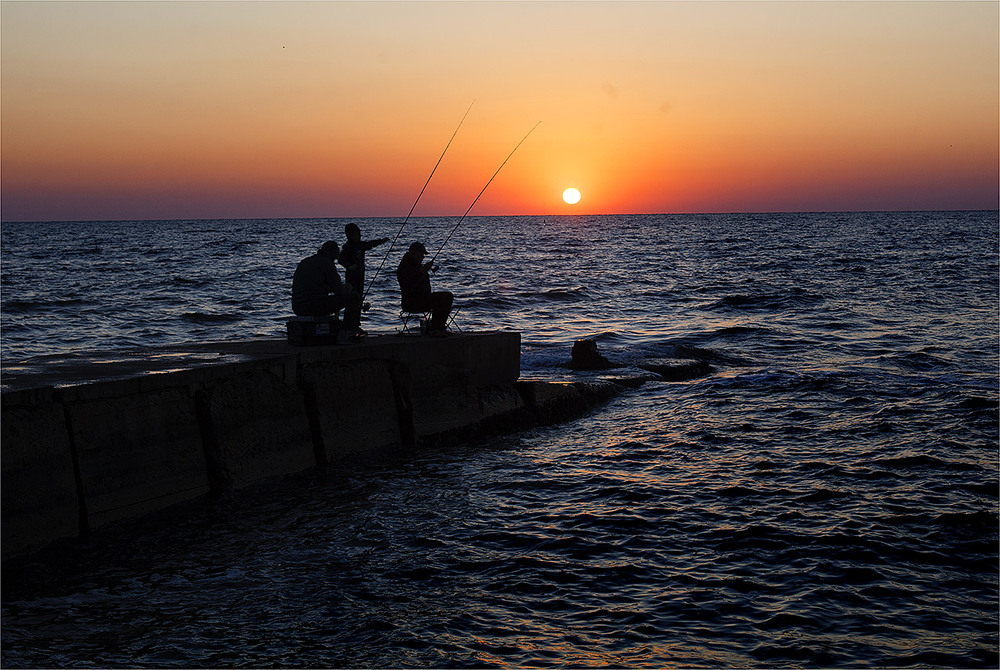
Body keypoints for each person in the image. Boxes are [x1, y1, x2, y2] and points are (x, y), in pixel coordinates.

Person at [291, 241, 365, 339]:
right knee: (354, 297)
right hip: (314, 306)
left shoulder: (305, 261)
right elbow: (340, 291)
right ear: (333, 253)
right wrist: (347, 288)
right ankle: (348, 330)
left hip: (297, 307)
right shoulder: (327, 264)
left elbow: (316, 286)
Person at [396, 242, 454, 337]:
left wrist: (423, 270)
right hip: (412, 303)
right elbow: (411, 284)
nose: (423, 257)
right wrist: (422, 271)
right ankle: (435, 329)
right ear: (413, 253)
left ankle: (439, 328)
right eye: (421, 254)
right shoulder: (404, 267)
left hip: (422, 299)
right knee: (441, 298)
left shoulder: (417, 266)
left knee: (447, 296)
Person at [339, 223, 390, 296]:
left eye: (359, 234)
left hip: (361, 273)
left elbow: (371, 244)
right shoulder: (347, 247)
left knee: (360, 293)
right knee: (352, 294)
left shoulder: (361, 245)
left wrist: (382, 241)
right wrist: (349, 266)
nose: (358, 237)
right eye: (355, 235)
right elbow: (341, 260)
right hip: (351, 275)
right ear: (349, 236)